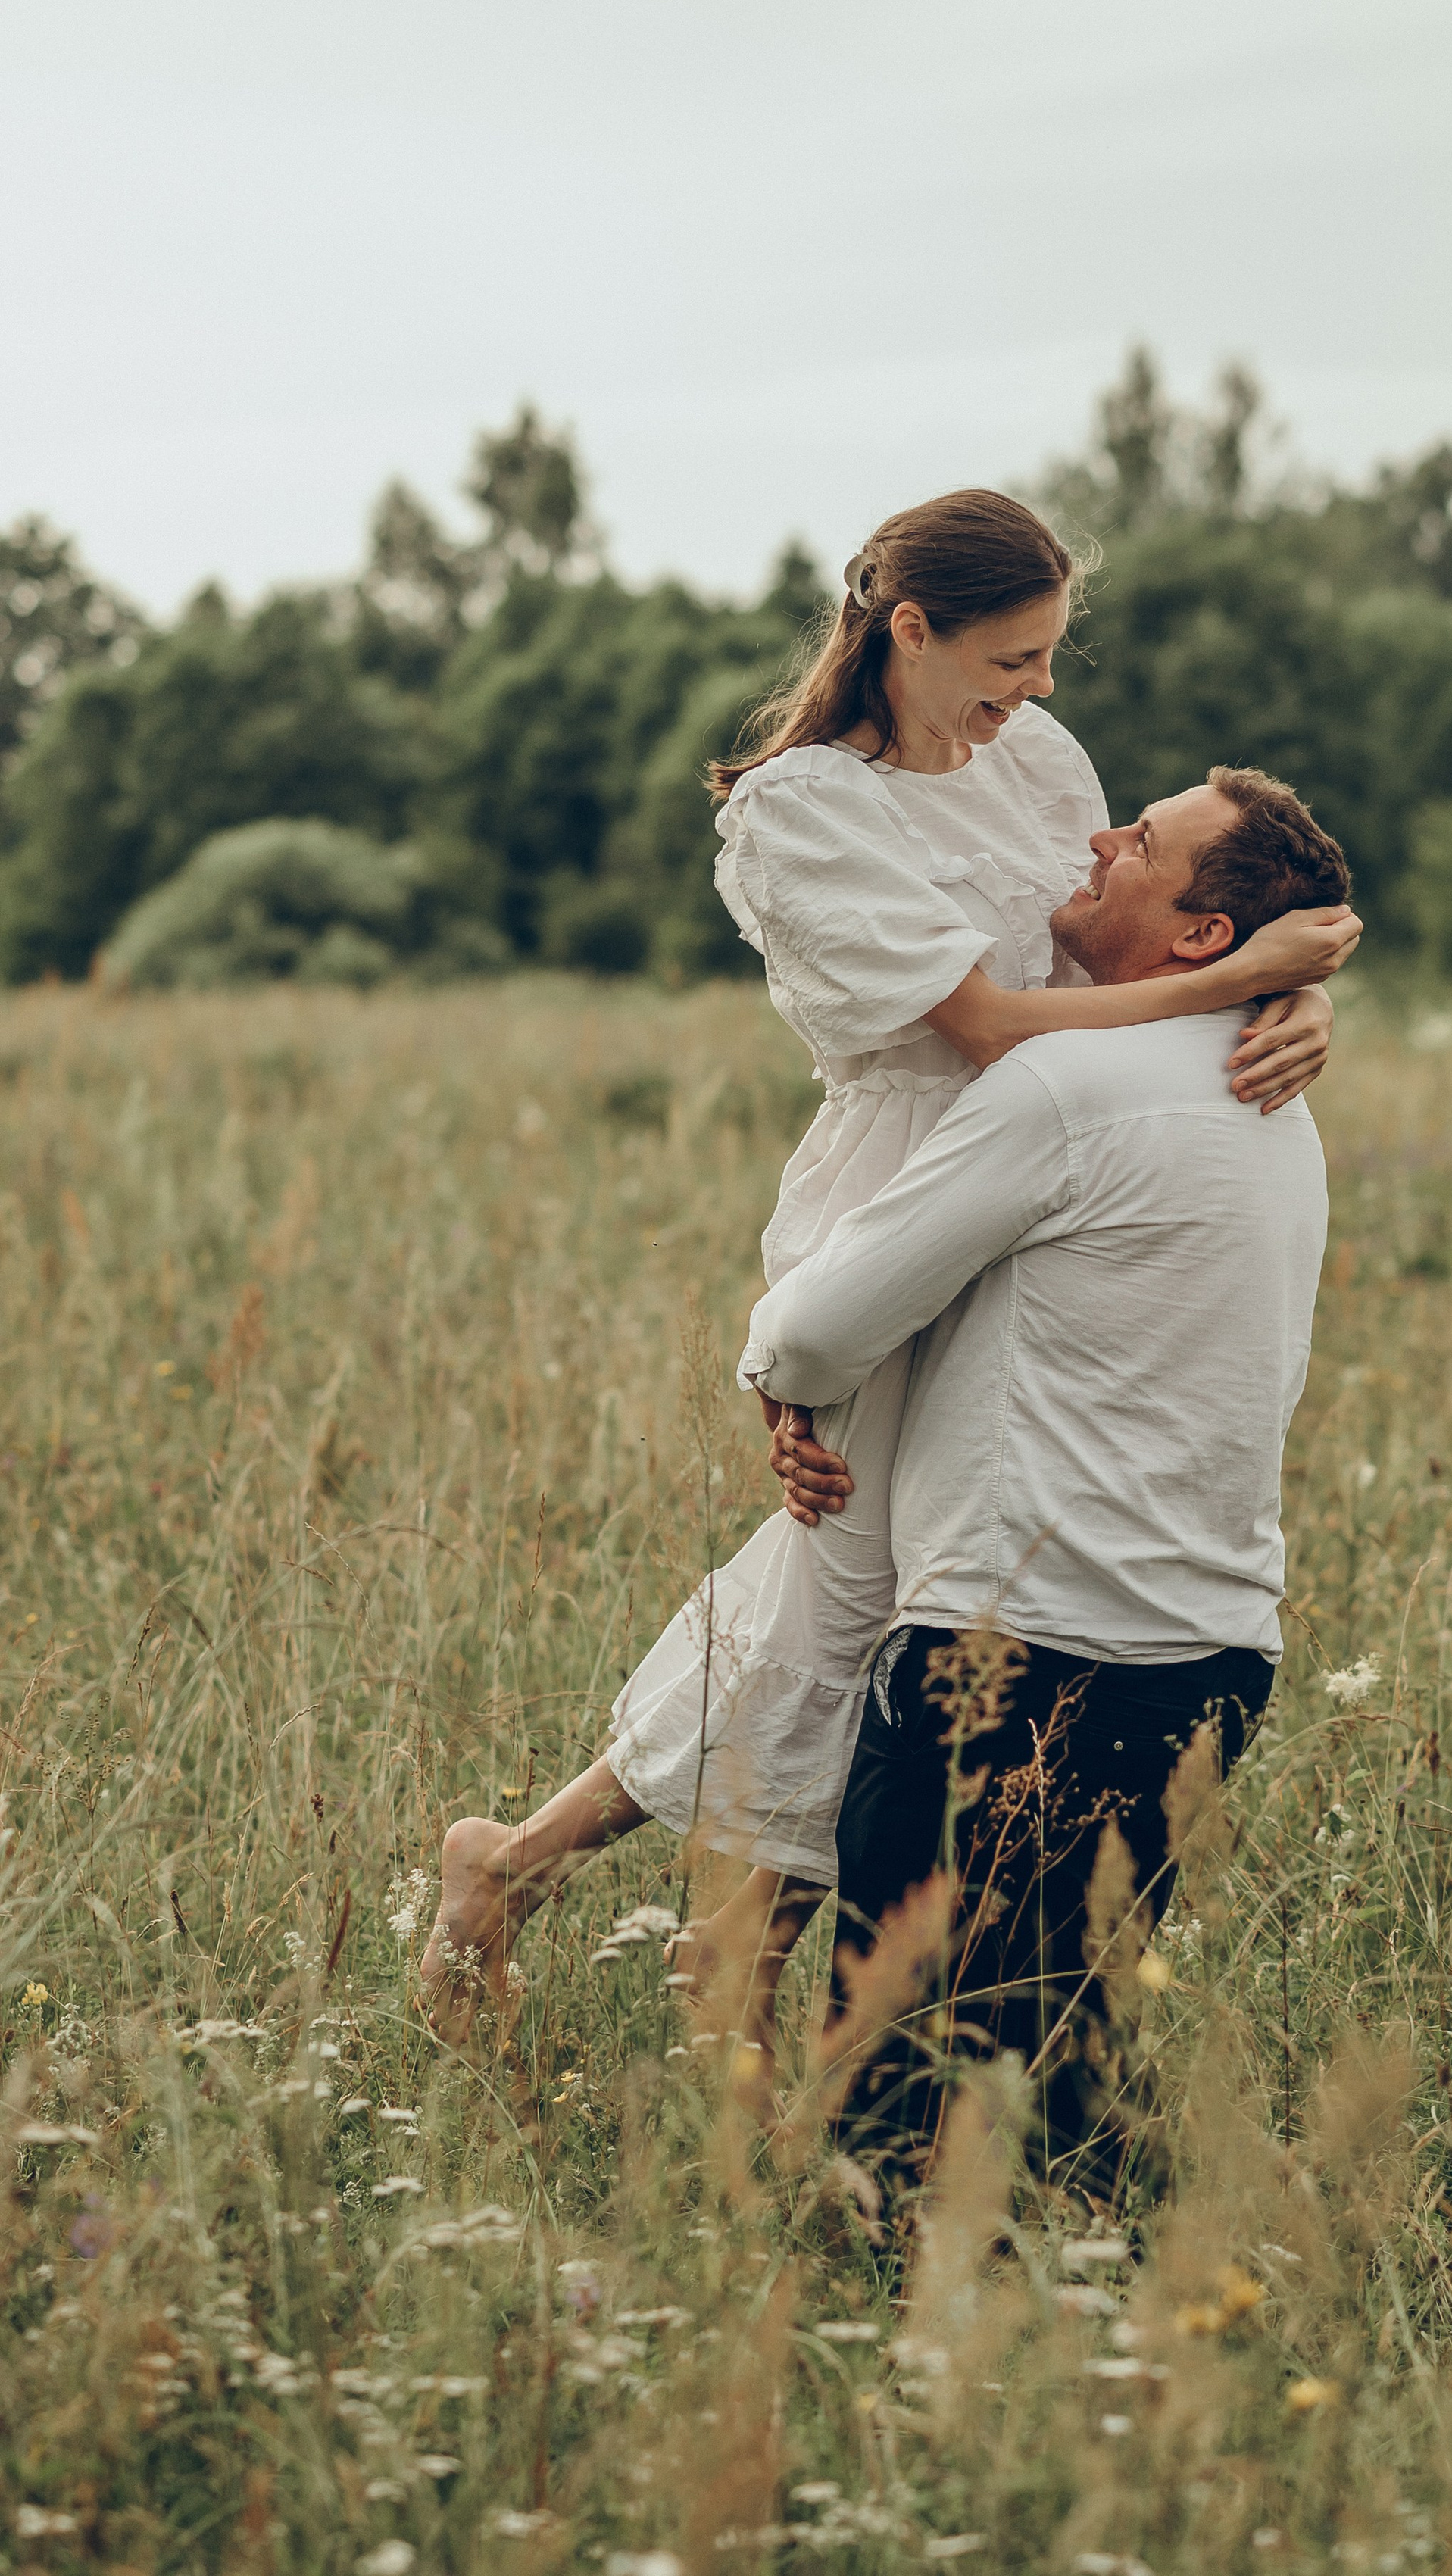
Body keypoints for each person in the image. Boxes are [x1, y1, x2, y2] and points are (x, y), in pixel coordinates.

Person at [420, 491, 1357, 2041]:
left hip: (1047, 1183)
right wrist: (1239, 979)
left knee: (871, 1595)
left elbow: (1137, 933)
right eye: (1013, 656)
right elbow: (981, 1024)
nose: (1038, 692)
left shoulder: (1039, 760)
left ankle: (549, 1877)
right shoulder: (802, 806)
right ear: (907, 631)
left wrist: (1275, 1008)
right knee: (848, 1591)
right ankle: (671, 1942)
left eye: (1051, 656)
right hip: (907, 1177)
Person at [742, 765, 1343, 2181]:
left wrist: (791, 1389)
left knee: (894, 2123)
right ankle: (1071, 2368)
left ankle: (932, 2372)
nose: (1101, 836)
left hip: (1009, 1663)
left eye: (1143, 842)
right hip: (1210, 1659)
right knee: (1058, 2097)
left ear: (1203, 938)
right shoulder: (1282, 1100)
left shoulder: (1068, 1085)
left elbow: (821, 1320)